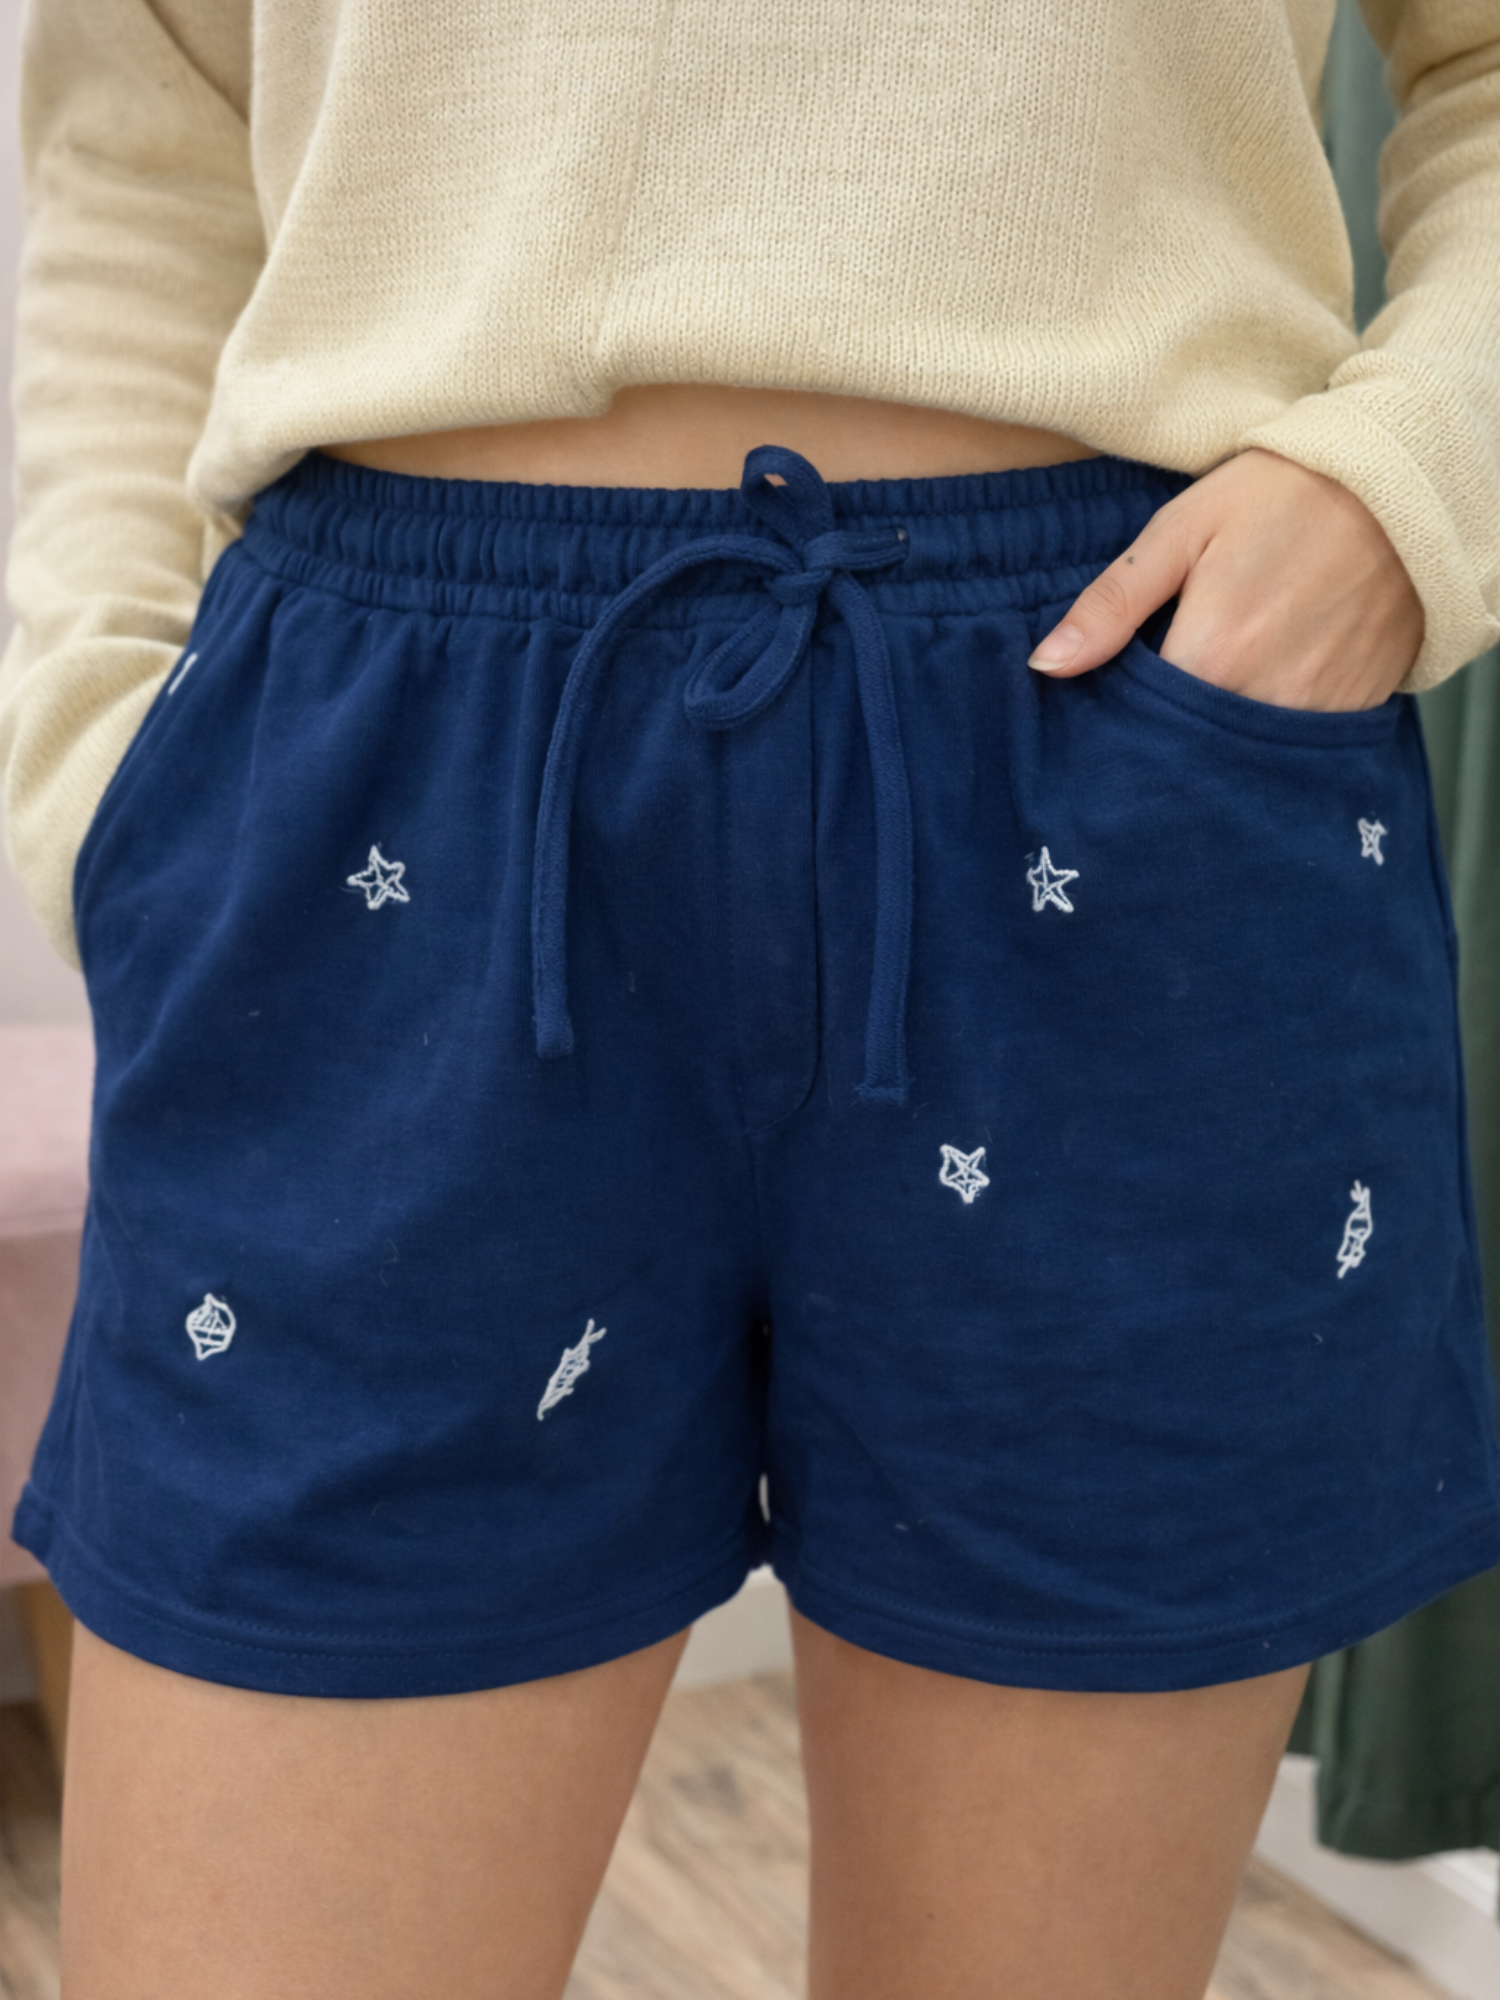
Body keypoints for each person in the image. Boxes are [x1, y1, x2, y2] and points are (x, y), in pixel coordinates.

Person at [3, 3, 1498, 1995]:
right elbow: (146, 121)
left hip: (1113, 768)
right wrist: (106, 755)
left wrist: (1405, 481)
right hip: (397, 808)